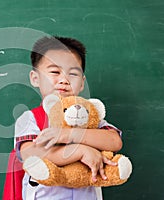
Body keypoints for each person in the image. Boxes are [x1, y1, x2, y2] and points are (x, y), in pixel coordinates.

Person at [14, 36, 123, 199]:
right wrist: (80, 151)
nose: (64, 80)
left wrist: (68, 134)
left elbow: (114, 141)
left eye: (73, 74)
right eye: (55, 72)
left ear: (82, 83)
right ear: (35, 78)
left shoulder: (89, 117)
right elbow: (31, 154)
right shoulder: (31, 118)